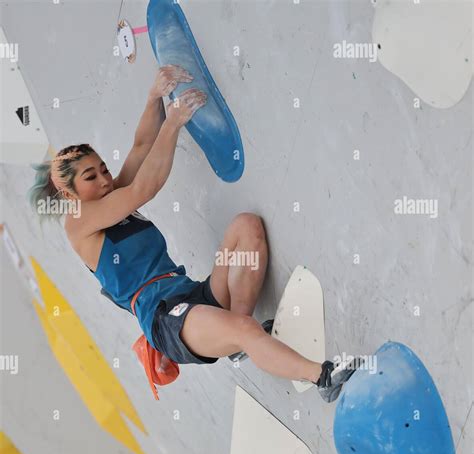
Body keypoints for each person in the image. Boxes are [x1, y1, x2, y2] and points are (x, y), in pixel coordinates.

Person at [28, 65, 358, 402]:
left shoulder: (110, 196)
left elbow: (142, 146)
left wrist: (154, 95)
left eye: (103, 169)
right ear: (70, 195)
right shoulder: (78, 222)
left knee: (247, 228)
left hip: (191, 294)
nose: (104, 180)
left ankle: (238, 336)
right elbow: (144, 188)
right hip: (167, 321)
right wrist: (173, 123)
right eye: (90, 177)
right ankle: (324, 377)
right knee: (245, 331)